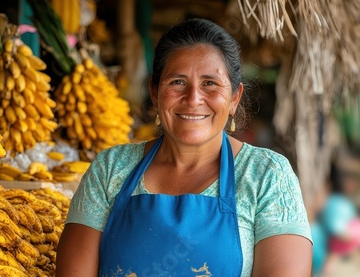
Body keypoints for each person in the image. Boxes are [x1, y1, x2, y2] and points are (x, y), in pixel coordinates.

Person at [56, 18, 313, 276]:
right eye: (177, 82)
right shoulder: (110, 168)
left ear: (235, 98)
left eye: (210, 83)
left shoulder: (267, 175)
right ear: (155, 93)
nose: (193, 99)